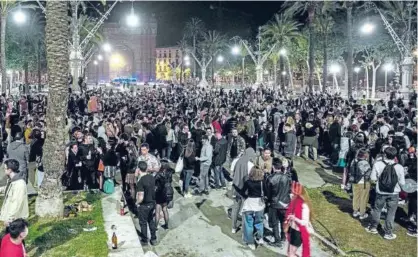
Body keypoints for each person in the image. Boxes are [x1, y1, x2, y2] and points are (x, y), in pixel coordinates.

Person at [366, 146, 405, 240]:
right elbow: (402, 183)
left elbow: (373, 179)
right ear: (395, 156)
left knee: (377, 209)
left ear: (385, 154)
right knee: (391, 213)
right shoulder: (399, 167)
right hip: (394, 193)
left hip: (380, 192)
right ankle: (388, 232)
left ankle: (373, 227)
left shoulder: (378, 164)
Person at [265, 158, 291, 247]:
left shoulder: (270, 178)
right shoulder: (287, 177)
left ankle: (277, 240)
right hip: (285, 203)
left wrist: (268, 201)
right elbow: (289, 189)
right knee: (283, 221)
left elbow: (268, 193)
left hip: (274, 203)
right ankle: (283, 237)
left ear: (273, 167)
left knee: (275, 222)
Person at [231, 148, 256, 234]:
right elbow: (252, 178)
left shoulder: (236, 161)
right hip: (245, 190)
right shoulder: (250, 165)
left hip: (236, 187)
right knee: (245, 209)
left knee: (235, 208)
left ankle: (233, 227)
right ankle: (244, 228)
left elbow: (232, 173)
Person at [285, 182, 313, 257]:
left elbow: (304, 222)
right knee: (289, 253)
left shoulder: (304, 206)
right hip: (292, 229)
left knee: (291, 254)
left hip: (298, 232)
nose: (292, 195)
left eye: (294, 194)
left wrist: (294, 218)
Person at [241, 168, 265, 250]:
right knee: (259, 223)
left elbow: (242, 192)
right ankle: (260, 238)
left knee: (248, 224)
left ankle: (251, 243)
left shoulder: (248, 182)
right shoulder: (262, 183)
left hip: (249, 204)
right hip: (259, 205)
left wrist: (245, 197)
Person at [0, 159, 29, 226]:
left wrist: (9, 218)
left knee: (13, 235)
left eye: (5, 168)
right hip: (11, 217)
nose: (4, 170)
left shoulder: (19, 184)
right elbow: (9, 190)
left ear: (9, 170)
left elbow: (16, 202)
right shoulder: (12, 180)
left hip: (15, 219)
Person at [136, 161, 157, 246]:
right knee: (151, 220)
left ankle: (145, 240)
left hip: (144, 205)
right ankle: (153, 239)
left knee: (143, 223)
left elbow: (141, 196)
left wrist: (137, 203)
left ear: (138, 169)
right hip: (152, 203)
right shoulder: (151, 177)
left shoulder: (140, 181)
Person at [349, 148, 372, 220]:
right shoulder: (365, 163)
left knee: (356, 197)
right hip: (364, 183)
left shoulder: (353, 161)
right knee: (363, 198)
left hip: (355, 182)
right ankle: (362, 213)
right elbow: (367, 173)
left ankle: (355, 211)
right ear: (365, 155)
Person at [155, 161, 173, 230]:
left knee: (157, 211)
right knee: (165, 209)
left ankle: (155, 227)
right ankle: (166, 225)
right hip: (166, 194)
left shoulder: (159, 174)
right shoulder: (170, 173)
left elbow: (154, 182)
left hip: (159, 193)